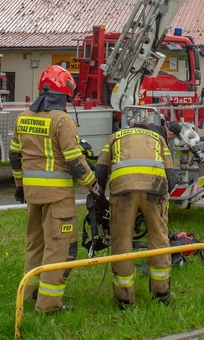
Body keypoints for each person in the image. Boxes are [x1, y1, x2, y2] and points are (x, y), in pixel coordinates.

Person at [10, 65, 99, 314]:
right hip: (58, 196)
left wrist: (20, 186)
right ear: (63, 94)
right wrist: (94, 185)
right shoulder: (62, 120)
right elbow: (74, 162)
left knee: (35, 244)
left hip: (32, 194)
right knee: (59, 247)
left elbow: (14, 156)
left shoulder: (23, 116)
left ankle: (27, 294)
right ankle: (49, 305)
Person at [95, 121, 176, 309]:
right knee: (159, 240)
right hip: (155, 190)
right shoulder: (159, 139)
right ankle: (161, 294)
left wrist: (99, 198)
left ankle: (124, 299)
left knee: (122, 242)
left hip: (123, 191)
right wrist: (162, 198)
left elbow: (100, 170)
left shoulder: (115, 138)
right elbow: (171, 176)